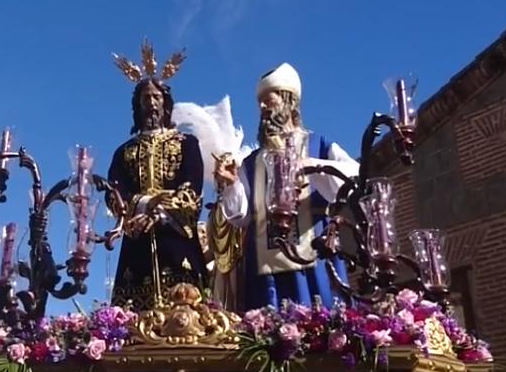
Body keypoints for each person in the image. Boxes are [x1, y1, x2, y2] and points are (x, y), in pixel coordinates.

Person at [214, 63, 357, 310]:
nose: (262, 109)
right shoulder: (251, 162)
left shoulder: (318, 145)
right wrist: (231, 184)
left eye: (268, 102)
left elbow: (354, 177)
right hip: (264, 268)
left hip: (312, 260)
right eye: (260, 106)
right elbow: (241, 217)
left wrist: (310, 165)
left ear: (289, 102)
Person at [107, 42, 208, 308]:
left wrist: (158, 211)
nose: (151, 103)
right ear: (137, 106)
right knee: (132, 316)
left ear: (165, 103)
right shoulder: (124, 152)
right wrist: (142, 206)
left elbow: (191, 191)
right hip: (137, 240)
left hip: (177, 240)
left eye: (156, 97)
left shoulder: (187, 143)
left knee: (188, 314)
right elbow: (114, 193)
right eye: (145, 98)